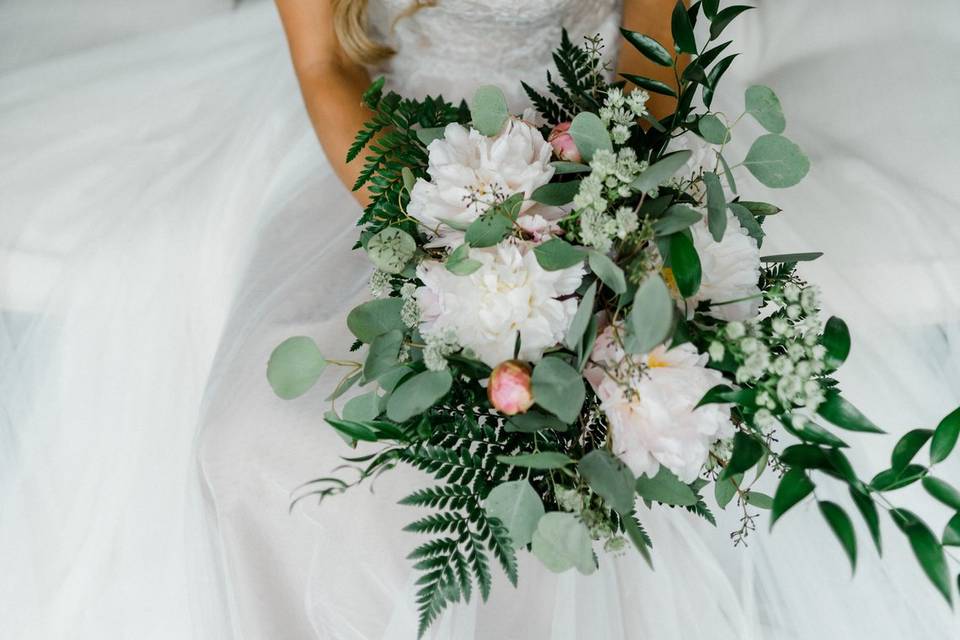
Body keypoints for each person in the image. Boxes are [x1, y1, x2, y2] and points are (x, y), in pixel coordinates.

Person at [1, 1, 958, 638]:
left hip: (592, 138)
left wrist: (582, 224)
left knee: (572, 442)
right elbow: (325, 64)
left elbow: (656, 60)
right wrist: (453, 234)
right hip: (385, 145)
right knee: (266, 438)